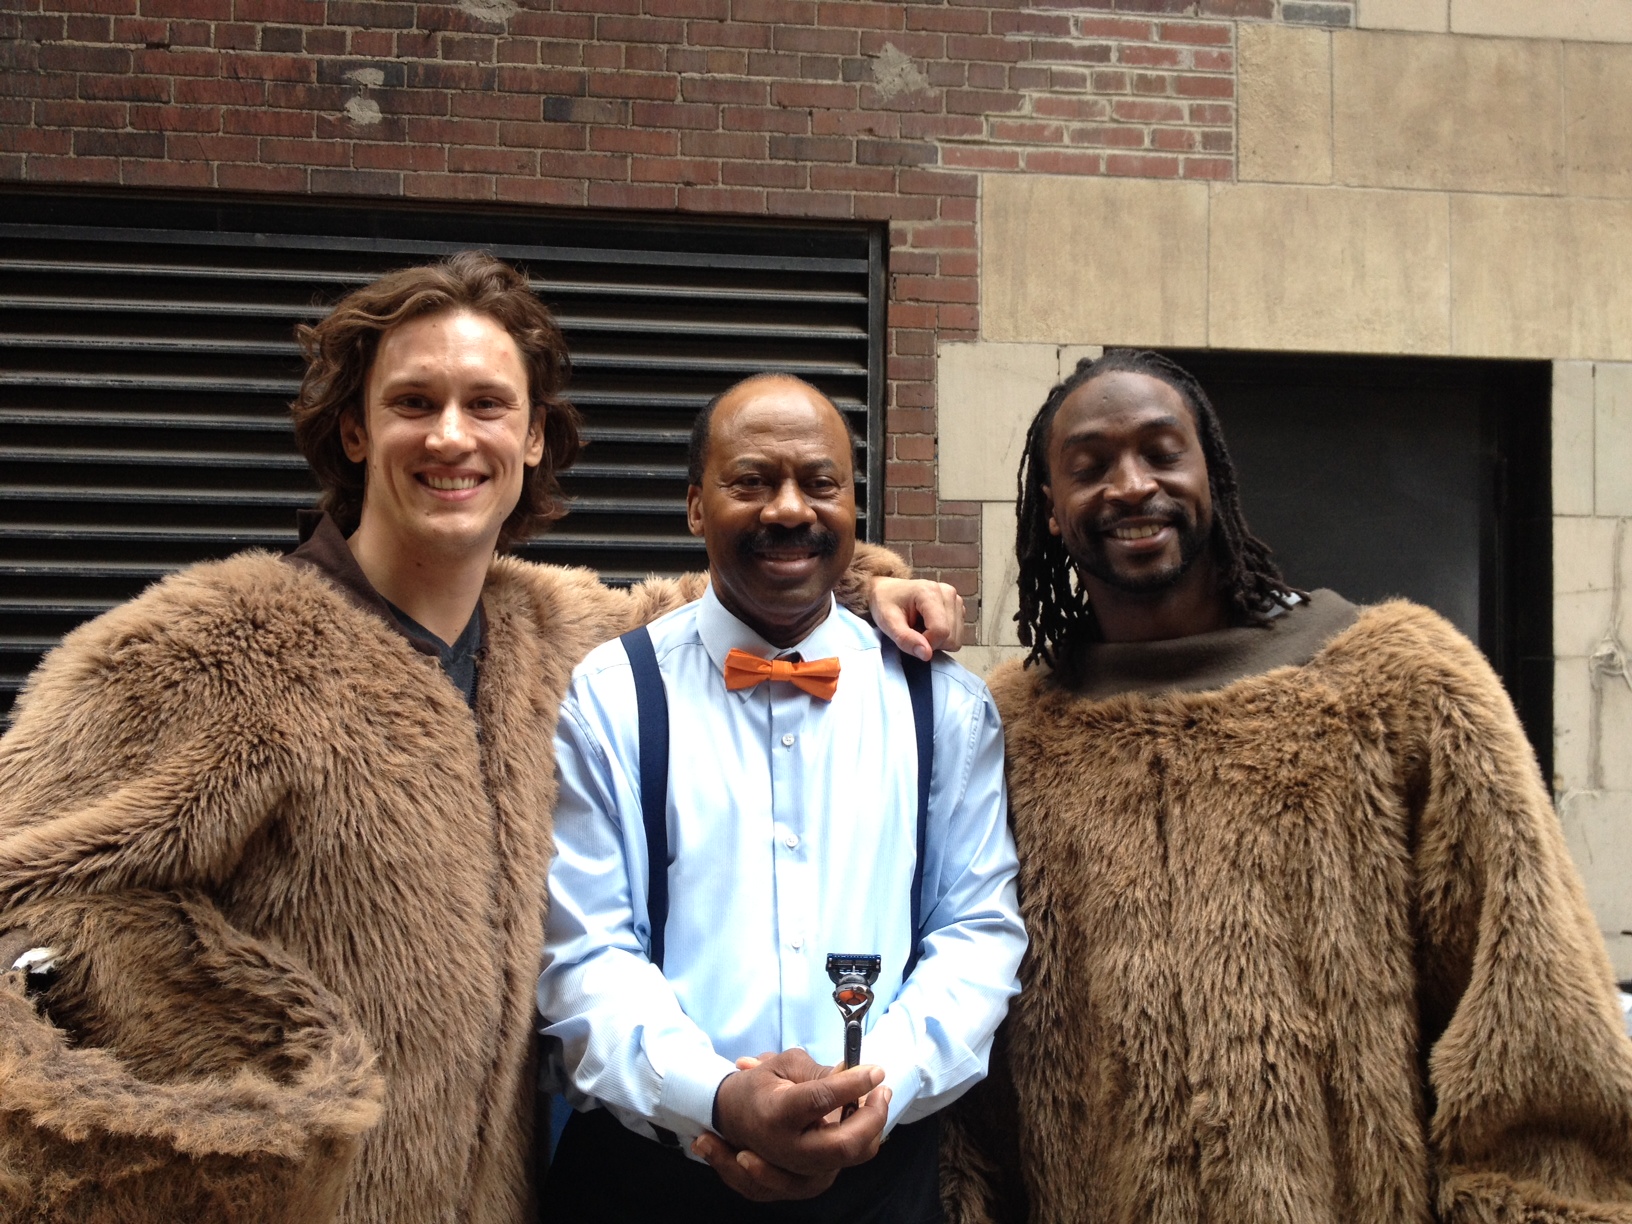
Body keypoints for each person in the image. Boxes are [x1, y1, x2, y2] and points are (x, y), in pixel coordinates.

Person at [0, 254, 960, 1224]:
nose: (452, 435)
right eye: (414, 401)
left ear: (535, 437)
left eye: (488, 404)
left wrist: (855, 590)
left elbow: (700, 607)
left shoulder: (561, 637)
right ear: (355, 428)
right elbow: (29, 892)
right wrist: (273, 1068)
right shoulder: (222, 647)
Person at [940, 348, 1632, 1224]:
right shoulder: (1003, 735)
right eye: (1089, 467)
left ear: (1213, 475)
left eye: (1162, 451)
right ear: (1051, 509)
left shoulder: (1399, 686)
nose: (1130, 486)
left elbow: (1531, 1007)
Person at [538, 373, 1026, 1223]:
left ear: (854, 508)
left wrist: (871, 1089)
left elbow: (975, 935)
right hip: (646, 1183)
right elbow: (585, 956)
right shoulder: (613, 694)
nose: (790, 509)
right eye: (751, 482)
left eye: (820, 483)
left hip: (881, 1183)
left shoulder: (943, 705)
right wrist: (722, 1099)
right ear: (696, 507)